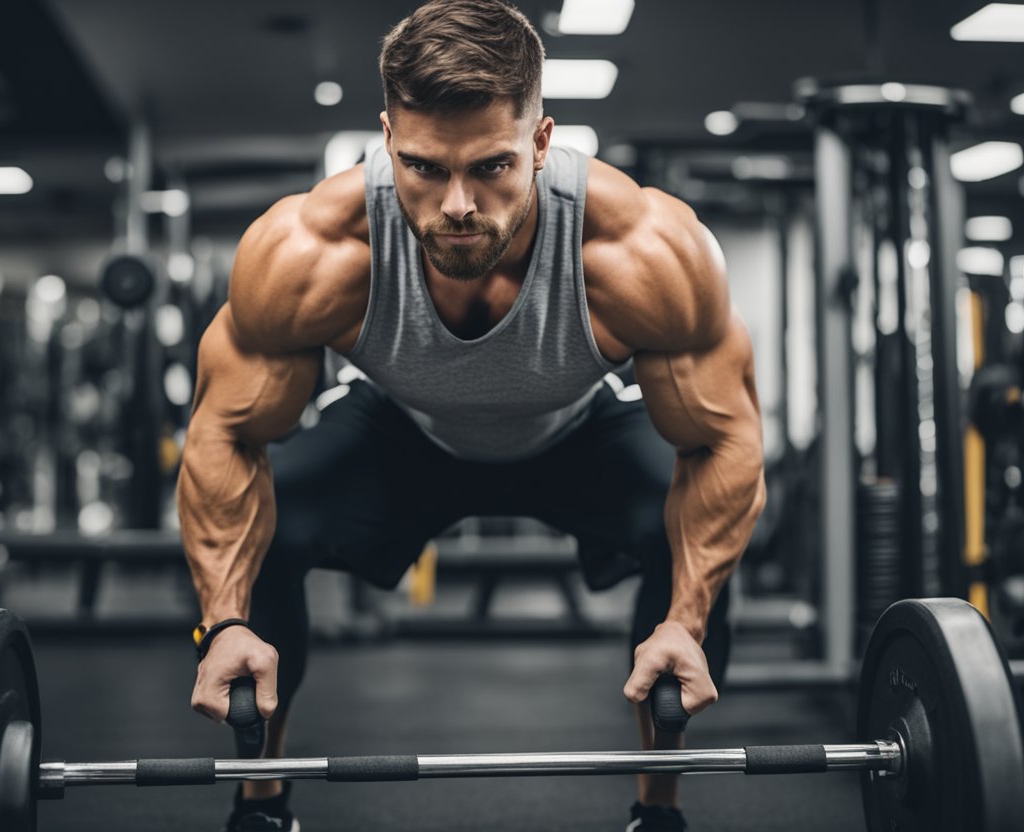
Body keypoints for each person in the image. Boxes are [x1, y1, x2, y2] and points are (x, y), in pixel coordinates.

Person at [178, 2, 765, 829]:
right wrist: (224, 620)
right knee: (275, 525)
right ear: (387, 138)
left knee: (686, 548)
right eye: (423, 167)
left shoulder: (642, 251)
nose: (458, 204)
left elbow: (723, 438)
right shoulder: (311, 252)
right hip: (400, 429)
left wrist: (687, 617)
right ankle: (263, 796)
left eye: (491, 167)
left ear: (541, 140)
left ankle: (657, 805)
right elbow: (224, 435)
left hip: (578, 428)